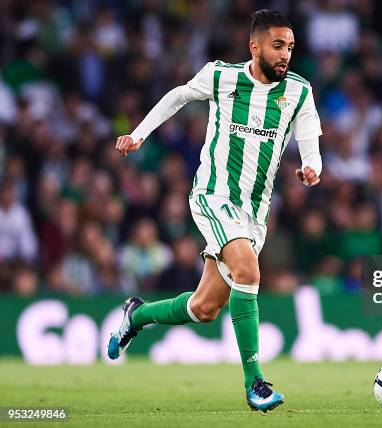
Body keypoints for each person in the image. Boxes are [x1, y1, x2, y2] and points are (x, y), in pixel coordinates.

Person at [107, 10, 322, 413]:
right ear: (254, 46)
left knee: (204, 309)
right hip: (212, 193)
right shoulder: (222, 75)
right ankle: (254, 383)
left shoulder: (299, 91)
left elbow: (309, 138)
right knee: (249, 271)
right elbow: (178, 96)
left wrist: (313, 167)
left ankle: (136, 316)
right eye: (278, 46)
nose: (286, 55)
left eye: (290, 47)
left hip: (254, 212)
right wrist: (138, 135)